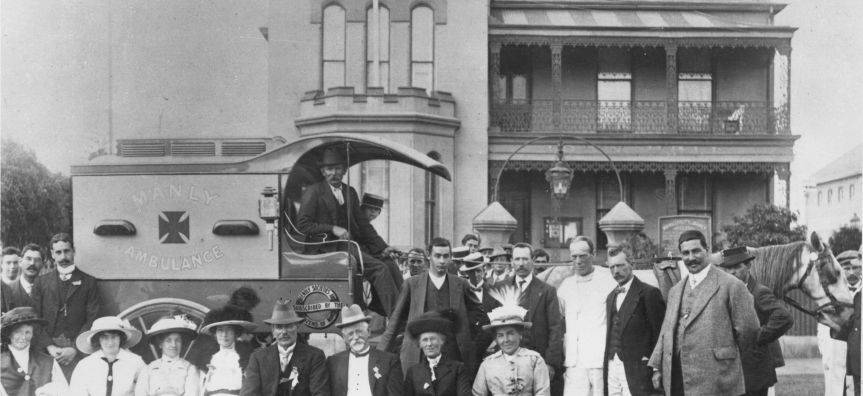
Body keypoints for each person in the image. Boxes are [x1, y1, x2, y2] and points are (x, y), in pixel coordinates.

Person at [648, 230, 760, 396]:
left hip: (716, 377)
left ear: (707, 250)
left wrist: (726, 357)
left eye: (696, 251)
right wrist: (657, 365)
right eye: (685, 253)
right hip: (677, 377)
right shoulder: (675, 290)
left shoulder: (731, 285)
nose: (691, 258)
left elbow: (749, 330)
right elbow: (666, 331)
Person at [296, 147, 402, 318]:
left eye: (337, 168)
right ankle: (397, 320)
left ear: (344, 170)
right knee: (379, 269)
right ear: (323, 171)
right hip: (327, 248)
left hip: (349, 246)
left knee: (389, 262)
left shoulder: (349, 192)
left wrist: (383, 247)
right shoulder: (313, 192)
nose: (333, 173)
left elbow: (363, 225)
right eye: (329, 169)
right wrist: (332, 228)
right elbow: (303, 225)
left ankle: (399, 310)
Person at [377, 237, 483, 378]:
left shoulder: (461, 284)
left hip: (453, 354)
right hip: (419, 354)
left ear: (450, 258)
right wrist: (378, 355)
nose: (442, 261)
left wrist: (460, 327)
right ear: (428, 256)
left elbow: (478, 310)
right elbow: (395, 322)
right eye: (437, 256)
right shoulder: (412, 284)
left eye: (446, 256)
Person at [716, 246, 794, 396]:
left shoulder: (758, 292)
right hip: (732, 371)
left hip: (755, 372)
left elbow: (784, 317)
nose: (732, 272)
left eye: (737, 267)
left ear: (748, 267)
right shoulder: (726, 292)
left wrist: (758, 337)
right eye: (729, 268)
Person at [30, 233, 101, 381]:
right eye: (58, 252)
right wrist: (49, 346)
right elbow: (34, 318)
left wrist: (75, 348)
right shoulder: (41, 282)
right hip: (47, 353)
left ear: (73, 251)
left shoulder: (89, 282)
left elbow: (93, 317)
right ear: (52, 255)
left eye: (66, 251)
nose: (63, 257)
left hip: (78, 353)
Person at [557, 236, 617, 396]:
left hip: (599, 359)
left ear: (593, 254)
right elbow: (558, 318)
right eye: (574, 256)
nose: (578, 261)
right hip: (573, 360)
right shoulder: (566, 286)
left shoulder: (608, 284)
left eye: (583, 256)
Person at [603, 247, 666, 396]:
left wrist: (658, 368)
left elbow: (661, 333)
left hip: (639, 367)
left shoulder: (649, 293)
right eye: (612, 267)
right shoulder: (611, 296)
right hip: (613, 365)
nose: (616, 271)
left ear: (632, 264)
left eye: (620, 265)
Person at [240, 300, 329, 396]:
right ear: (273, 330)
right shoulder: (258, 358)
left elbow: (320, 393)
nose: (284, 332)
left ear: (297, 327)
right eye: (279, 327)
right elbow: (248, 393)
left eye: (288, 326)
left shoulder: (314, 356)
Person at [473, 293, 550, 396]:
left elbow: (543, 392)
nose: (506, 340)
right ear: (495, 339)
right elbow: (478, 393)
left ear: (520, 334)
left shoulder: (534, 359)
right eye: (500, 335)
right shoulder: (487, 364)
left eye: (510, 333)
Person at [506, 243, 562, 381]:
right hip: (506, 361)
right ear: (511, 261)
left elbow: (555, 328)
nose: (521, 264)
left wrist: (550, 362)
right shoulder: (500, 287)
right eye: (517, 259)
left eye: (525, 259)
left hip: (537, 361)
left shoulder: (547, 291)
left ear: (533, 261)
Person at [326, 304, 402, 396]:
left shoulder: (390, 360)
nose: (355, 337)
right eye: (350, 334)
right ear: (344, 338)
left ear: (368, 331)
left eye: (359, 331)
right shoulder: (333, 362)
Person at [196, 291, 260, 396]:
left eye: (229, 330)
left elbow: (251, 386)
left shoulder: (245, 356)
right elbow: (200, 388)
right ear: (215, 334)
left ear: (235, 333)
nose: (224, 335)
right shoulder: (207, 357)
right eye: (220, 330)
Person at [70, 316, 146, 396]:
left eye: (114, 336)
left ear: (121, 338)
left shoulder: (135, 362)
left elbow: (144, 390)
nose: (110, 342)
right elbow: (77, 392)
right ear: (98, 339)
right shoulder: (85, 365)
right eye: (104, 337)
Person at [1, 307, 68, 396]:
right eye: (18, 332)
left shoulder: (48, 361)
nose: (23, 337)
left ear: (33, 334)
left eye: (27, 332)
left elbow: (64, 391)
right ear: (9, 334)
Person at [403, 309, 471, 396]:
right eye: (424, 340)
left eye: (433, 339)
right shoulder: (413, 372)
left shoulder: (457, 368)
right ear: (419, 344)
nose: (429, 344)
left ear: (442, 341)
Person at [818, 250, 859, 396]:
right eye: (846, 269)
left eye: (855, 268)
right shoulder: (832, 295)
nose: (851, 272)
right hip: (837, 349)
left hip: (858, 350)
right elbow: (823, 326)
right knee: (836, 387)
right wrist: (824, 349)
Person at [135, 312, 200, 396]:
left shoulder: (189, 369)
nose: (173, 345)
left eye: (178, 340)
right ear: (160, 344)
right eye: (168, 340)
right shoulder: (148, 370)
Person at [456, 252, 497, 361]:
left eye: (478, 270)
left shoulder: (493, 292)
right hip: (465, 348)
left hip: (488, 349)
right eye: (472, 271)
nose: (476, 275)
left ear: (484, 270)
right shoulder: (458, 292)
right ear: (467, 273)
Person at [8, 244, 46, 309]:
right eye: (28, 259)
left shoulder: (48, 289)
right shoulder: (7, 289)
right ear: (20, 262)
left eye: (37, 260)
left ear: (43, 264)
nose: (32, 263)